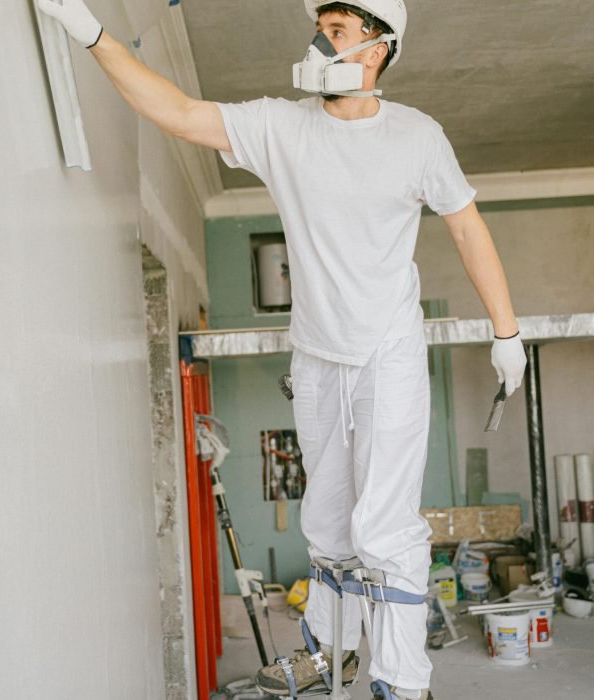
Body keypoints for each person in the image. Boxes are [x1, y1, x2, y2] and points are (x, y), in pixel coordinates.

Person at [38, 2, 528, 698]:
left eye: (334, 31)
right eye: (319, 27)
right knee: (327, 519)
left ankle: (402, 678)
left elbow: (467, 229)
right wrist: (91, 32)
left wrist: (506, 334)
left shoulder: (418, 137)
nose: (316, 41)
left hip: (387, 348)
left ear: (377, 49)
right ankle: (331, 652)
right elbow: (177, 111)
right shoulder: (282, 125)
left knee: (383, 526)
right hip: (317, 352)